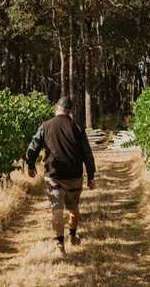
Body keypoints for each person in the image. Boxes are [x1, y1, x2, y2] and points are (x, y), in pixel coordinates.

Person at [25, 96, 96, 254]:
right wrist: (91, 176)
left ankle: (59, 244)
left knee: (56, 210)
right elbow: (87, 154)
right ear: (70, 111)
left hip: (54, 176)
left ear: (57, 108)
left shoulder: (45, 126)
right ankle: (72, 235)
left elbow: (33, 147)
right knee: (73, 207)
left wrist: (30, 165)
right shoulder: (77, 127)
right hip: (74, 177)